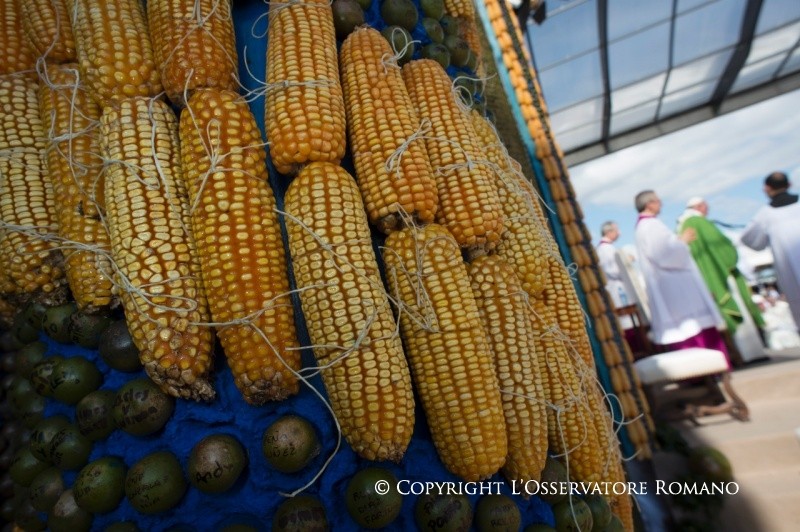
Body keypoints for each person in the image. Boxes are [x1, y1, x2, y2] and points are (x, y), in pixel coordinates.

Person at [633, 190, 731, 364]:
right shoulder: (650, 225)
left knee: (689, 327)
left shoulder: (646, 226)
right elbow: (664, 255)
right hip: (676, 285)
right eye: (658, 200)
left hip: (670, 284)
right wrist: (682, 241)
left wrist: (676, 242)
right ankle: (707, 370)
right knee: (691, 327)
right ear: (649, 204)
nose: (661, 203)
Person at [677, 197, 766, 364]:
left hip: (704, 280)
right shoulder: (700, 223)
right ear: (700, 206)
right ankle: (751, 354)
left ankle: (735, 355)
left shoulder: (683, 226)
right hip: (720, 275)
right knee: (737, 309)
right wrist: (731, 253)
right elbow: (723, 248)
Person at [740, 171, 800, 330]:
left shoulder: (764, 216)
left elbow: (751, 241)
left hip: (791, 275)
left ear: (766, 188)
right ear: (789, 185)